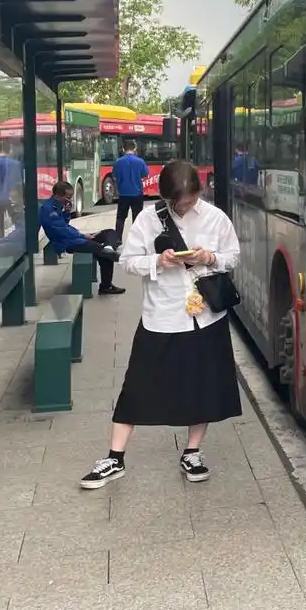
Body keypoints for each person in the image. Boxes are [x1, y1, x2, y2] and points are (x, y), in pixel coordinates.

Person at [79, 159, 241, 490]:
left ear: (199, 192)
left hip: (205, 317)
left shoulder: (215, 218)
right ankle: (115, 457)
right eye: (176, 202)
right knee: (137, 386)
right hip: (162, 316)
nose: (183, 207)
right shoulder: (148, 219)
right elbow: (128, 262)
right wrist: (158, 261)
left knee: (204, 387)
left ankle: (192, 451)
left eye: (189, 201)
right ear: (166, 196)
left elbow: (232, 256)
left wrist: (210, 258)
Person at [39, 181, 124, 294]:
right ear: (58, 196)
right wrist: (82, 235)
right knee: (102, 253)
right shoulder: (48, 209)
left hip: (76, 237)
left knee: (110, 232)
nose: (70, 200)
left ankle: (109, 248)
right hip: (68, 243)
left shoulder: (58, 204)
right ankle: (106, 285)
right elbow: (61, 230)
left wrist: (67, 213)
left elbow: (64, 224)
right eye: (68, 197)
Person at [112, 139, 149, 239]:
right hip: (137, 193)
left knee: (120, 217)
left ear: (123, 149)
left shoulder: (118, 162)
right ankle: (136, 238)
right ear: (135, 148)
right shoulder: (140, 161)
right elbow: (145, 174)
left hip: (123, 194)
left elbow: (114, 177)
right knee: (137, 217)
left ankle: (118, 239)